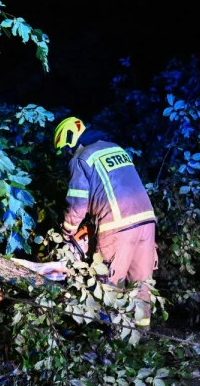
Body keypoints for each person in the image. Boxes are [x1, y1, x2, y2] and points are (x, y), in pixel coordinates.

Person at [53, 116, 157, 330]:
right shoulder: (115, 148)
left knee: (107, 286)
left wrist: (66, 232)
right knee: (141, 284)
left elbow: (77, 204)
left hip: (117, 226)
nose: (67, 156)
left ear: (69, 141)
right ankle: (141, 334)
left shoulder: (81, 158)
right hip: (147, 220)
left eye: (65, 151)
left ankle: (107, 336)